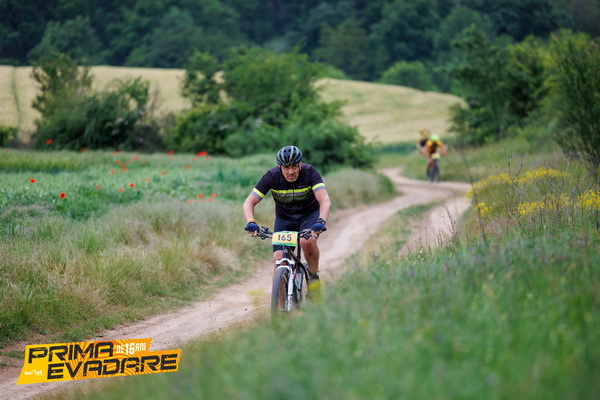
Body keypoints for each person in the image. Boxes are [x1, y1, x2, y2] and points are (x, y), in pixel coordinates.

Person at [243, 145, 331, 285]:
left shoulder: (310, 172)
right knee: (279, 259)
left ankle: (313, 277)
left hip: (309, 215)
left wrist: (321, 221)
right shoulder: (272, 176)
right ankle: (279, 298)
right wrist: (251, 221)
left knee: (307, 241)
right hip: (285, 218)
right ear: (280, 167)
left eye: (294, 166)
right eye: (286, 167)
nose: (291, 171)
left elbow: (324, 200)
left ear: (300, 164)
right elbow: (249, 202)